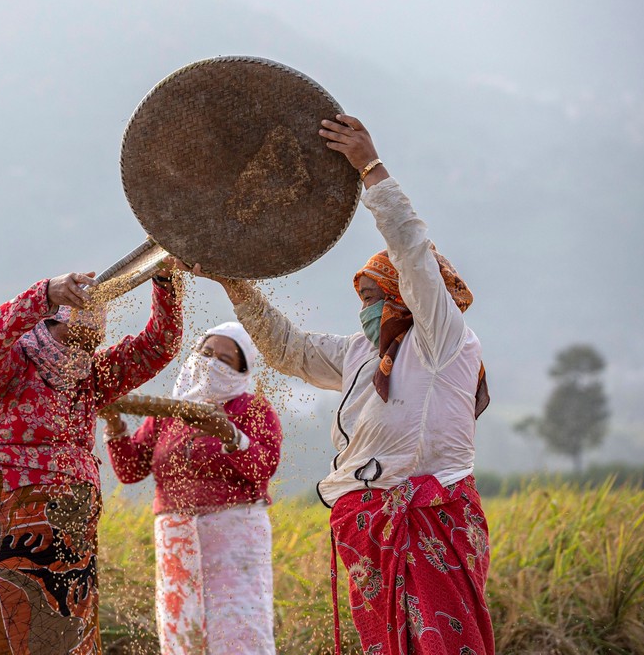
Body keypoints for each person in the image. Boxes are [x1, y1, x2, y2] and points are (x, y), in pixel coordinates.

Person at [196, 115, 494, 655]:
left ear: (408, 298)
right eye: (363, 299)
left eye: (377, 296)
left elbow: (412, 254)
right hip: (367, 521)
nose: (369, 309)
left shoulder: (443, 339)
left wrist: (370, 168)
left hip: (430, 518)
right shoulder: (362, 354)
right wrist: (233, 284)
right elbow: (289, 350)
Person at [0, 267, 183, 655]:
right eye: (74, 333)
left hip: (69, 536)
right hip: (0, 520)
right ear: (50, 319)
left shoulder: (90, 376)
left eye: (93, 339)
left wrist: (165, 283)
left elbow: (159, 345)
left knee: (65, 641)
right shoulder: (9, 364)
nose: (84, 349)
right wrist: (45, 292)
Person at [103, 322, 282, 654]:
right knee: (182, 629)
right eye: (207, 352)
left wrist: (230, 435)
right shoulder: (169, 413)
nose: (212, 362)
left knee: (239, 627)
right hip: (176, 537)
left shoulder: (254, 410)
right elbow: (131, 470)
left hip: (234, 533)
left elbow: (262, 469)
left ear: (243, 370)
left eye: (225, 359)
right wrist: (114, 423)